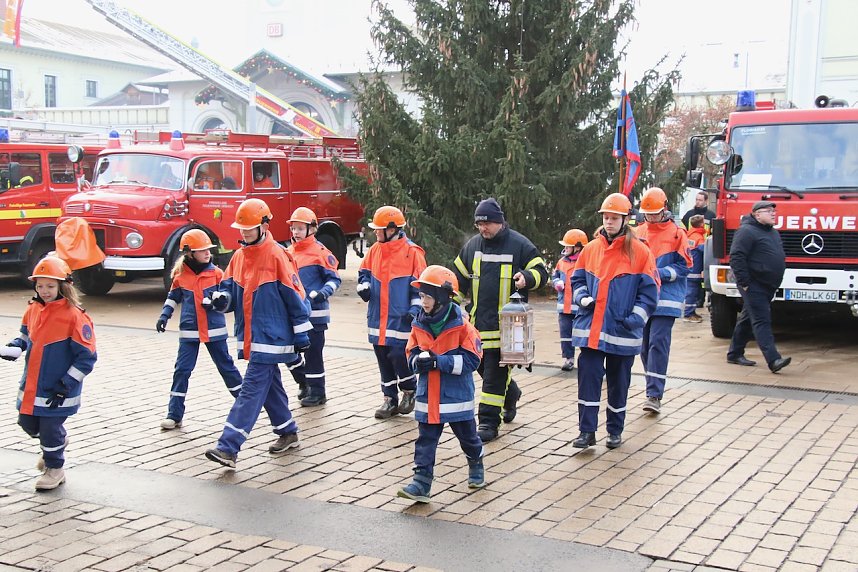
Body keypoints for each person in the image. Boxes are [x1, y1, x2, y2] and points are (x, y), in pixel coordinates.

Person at [204, 199, 311, 467]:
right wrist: (221, 300)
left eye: (248, 228)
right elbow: (228, 292)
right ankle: (287, 431)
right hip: (253, 336)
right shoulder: (239, 257)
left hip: (273, 337)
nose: (243, 232)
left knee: (251, 389)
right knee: (270, 385)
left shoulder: (277, 255)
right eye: (241, 228)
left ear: (264, 225)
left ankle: (228, 446)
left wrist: (301, 334)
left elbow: (296, 296)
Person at [452, 198, 548, 443]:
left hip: (509, 327)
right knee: (484, 370)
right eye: (478, 225)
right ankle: (511, 393)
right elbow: (458, 281)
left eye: (487, 224)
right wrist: (451, 306)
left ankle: (487, 423)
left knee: (494, 376)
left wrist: (528, 277)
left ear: (499, 222)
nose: (483, 229)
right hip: (477, 326)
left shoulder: (519, 244)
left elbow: (542, 271)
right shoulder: (473, 247)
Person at [570, 193, 658, 449]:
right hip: (591, 331)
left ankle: (614, 431)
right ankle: (586, 432)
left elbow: (650, 293)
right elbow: (576, 281)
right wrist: (582, 297)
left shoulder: (640, 252)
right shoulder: (590, 249)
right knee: (588, 382)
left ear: (625, 219)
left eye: (614, 218)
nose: (609, 222)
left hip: (622, 332)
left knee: (619, 384)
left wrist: (634, 320)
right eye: (606, 217)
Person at [1, 256, 97, 490]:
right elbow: (24, 336)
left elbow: (87, 357)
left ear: (63, 286)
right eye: (40, 285)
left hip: (58, 388)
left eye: (50, 286)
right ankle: (55, 443)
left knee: (49, 429)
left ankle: (55, 469)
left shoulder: (75, 316)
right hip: (33, 386)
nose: (44, 291)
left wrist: (65, 384)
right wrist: (15, 346)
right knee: (27, 423)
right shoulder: (33, 309)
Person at [397, 265, 485, 503]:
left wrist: (439, 363)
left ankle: (476, 461)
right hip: (429, 398)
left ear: (443, 298)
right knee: (425, 440)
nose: (423, 301)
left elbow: (472, 360)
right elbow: (411, 352)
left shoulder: (464, 328)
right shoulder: (418, 324)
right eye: (422, 296)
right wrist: (417, 362)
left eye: (427, 296)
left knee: (468, 438)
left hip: (456, 399)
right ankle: (421, 483)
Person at [155, 229, 242, 430]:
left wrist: (218, 302)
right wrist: (164, 316)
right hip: (189, 332)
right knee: (182, 371)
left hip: (214, 331)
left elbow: (228, 299)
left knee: (226, 368)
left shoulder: (217, 274)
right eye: (202, 250)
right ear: (189, 253)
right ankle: (174, 414)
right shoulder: (180, 276)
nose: (207, 254)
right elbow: (172, 297)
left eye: (208, 250)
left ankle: (246, 404)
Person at [357, 205, 427, 419]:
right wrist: (364, 286)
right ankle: (389, 399)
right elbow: (364, 273)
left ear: (392, 229)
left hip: (401, 317)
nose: (376, 233)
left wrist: (415, 309)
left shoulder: (412, 253)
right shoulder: (375, 250)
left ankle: (409, 390)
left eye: (379, 229)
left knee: (398, 354)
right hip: (378, 316)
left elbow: (421, 285)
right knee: (382, 356)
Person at [635, 188, 691, 414]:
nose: (651, 217)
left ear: (665, 209)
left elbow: (685, 267)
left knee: (658, 342)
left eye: (655, 213)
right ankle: (653, 385)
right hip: (643, 298)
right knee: (644, 346)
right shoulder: (637, 232)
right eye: (648, 214)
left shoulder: (677, 233)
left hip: (667, 299)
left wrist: (660, 274)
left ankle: (654, 394)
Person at [286, 207, 342, 406]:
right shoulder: (288, 252)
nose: (295, 233)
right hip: (293, 315)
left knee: (313, 354)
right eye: (293, 229)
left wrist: (322, 293)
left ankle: (318, 392)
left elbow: (334, 280)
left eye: (300, 229)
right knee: (287, 351)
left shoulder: (321, 252)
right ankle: (304, 382)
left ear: (312, 229)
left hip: (315, 314)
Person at [727, 200, 791, 373]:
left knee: (748, 317)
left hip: (768, 285)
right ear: (757, 214)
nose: (773, 213)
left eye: (773, 211)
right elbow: (736, 257)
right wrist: (745, 283)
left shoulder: (772, 233)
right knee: (762, 320)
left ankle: (734, 353)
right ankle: (773, 359)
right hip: (754, 285)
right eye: (768, 211)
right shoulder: (746, 231)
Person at [552, 229, 588, 372]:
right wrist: (556, 283)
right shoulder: (561, 262)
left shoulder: (585, 262)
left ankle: (587, 361)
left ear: (577, 247)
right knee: (565, 335)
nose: (565, 249)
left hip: (580, 308)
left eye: (568, 246)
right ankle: (569, 359)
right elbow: (554, 276)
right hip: (564, 307)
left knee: (583, 335)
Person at [683, 215, 706, 323]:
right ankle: (688, 313)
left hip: (690, 268)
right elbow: (704, 250)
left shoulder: (690, 235)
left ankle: (691, 312)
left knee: (692, 291)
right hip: (694, 270)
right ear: (701, 224)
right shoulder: (698, 237)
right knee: (692, 292)